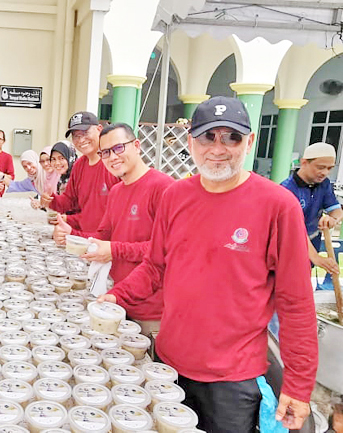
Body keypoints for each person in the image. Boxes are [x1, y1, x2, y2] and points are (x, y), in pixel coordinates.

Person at [100, 97, 318, 432]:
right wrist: (117, 297)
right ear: (190, 142)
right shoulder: (175, 197)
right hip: (168, 366)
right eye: (207, 137)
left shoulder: (277, 205)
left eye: (231, 137)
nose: (218, 148)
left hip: (232, 380)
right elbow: (155, 266)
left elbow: (296, 303)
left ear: (250, 141)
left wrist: (299, 386)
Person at [53, 123, 173, 335]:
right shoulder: (116, 191)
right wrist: (73, 236)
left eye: (119, 148)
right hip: (118, 301)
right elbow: (102, 237)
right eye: (105, 152)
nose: (112, 157)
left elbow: (166, 250)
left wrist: (114, 250)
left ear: (137, 146)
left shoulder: (164, 188)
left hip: (153, 311)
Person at [40, 112, 120, 232]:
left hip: (109, 242)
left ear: (99, 129)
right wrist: (51, 199)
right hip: (85, 240)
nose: (81, 140)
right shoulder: (79, 165)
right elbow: (68, 201)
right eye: (76, 136)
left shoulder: (114, 162)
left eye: (85, 133)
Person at [280, 142, 343, 287]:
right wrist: (317, 258)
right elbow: (293, 230)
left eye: (329, 168)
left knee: (301, 291)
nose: (325, 172)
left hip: (310, 248)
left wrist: (332, 219)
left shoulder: (324, 184)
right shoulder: (286, 189)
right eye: (320, 167)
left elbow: (337, 210)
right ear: (304, 163)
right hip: (287, 250)